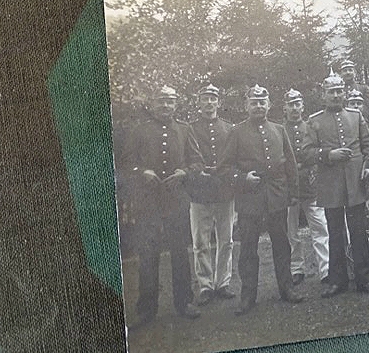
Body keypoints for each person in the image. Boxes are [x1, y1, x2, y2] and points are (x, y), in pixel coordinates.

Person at [120, 85, 201, 328]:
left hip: (176, 200)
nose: (165, 106)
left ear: (176, 104)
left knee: (179, 253)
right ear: (153, 104)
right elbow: (125, 164)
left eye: (169, 102)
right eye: (161, 102)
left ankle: (184, 302)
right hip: (148, 203)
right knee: (148, 255)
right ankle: (146, 309)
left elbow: (198, 163)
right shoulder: (139, 131)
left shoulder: (185, 130)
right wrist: (142, 171)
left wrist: (184, 172)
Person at [218, 85, 304, 316]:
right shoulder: (236, 132)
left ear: (269, 105)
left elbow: (290, 164)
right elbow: (224, 168)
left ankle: (287, 288)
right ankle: (248, 296)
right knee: (248, 248)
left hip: (276, 194)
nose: (258, 106)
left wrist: (293, 193)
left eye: (262, 102)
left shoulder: (278, 129)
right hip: (249, 197)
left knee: (282, 244)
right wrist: (242, 178)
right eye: (254, 102)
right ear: (246, 106)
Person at [303, 73, 369, 297]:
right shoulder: (315, 120)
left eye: (339, 91)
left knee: (359, 232)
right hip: (331, 185)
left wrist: (368, 167)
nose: (336, 95)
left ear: (344, 93)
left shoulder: (356, 116)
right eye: (331, 92)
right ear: (323, 95)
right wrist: (329, 154)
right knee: (335, 234)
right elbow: (307, 153)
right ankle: (337, 281)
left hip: (355, 183)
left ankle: (365, 279)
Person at [187, 83, 236, 305]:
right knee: (200, 242)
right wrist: (197, 174)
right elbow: (187, 157)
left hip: (224, 191)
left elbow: (234, 158)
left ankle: (223, 282)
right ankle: (205, 285)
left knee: (226, 240)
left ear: (219, 102)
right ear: (199, 102)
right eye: (205, 98)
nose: (209, 102)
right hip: (200, 192)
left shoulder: (229, 128)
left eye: (212, 99)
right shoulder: (191, 128)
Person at [283, 89, 330, 285]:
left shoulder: (312, 126)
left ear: (303, 106)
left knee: (320, 227)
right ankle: (296, 268)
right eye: (290, 105)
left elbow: (317, 152)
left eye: (297, 104)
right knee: (291, 231)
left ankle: (326, 269)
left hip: (311, 183)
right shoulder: (280, 129)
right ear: (284, 108)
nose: (294, 108)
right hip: (288, 186)